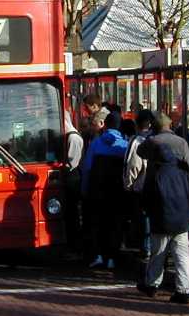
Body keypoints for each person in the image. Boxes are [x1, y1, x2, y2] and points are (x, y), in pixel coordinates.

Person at [137, 142, 189, 305]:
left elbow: (145, 199)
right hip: (181, 220)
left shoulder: (155, 175)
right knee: (182, 256)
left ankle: (152, 284)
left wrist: (148, 210)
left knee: (158, 254)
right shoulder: (181, 173)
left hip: (161, 221)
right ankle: (183, 290)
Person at [80, 111, 129, 269]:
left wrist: (84, 189)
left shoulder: (96, 143)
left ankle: (99, 255)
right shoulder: (125, 145)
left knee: (98, 223)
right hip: (117, 192)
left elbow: (87, 168)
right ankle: (112, 258)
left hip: (97, 191)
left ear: (105, 125)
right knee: (115, 224)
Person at [123, 109, 155, 258]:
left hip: (141, 186)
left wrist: (128, 185)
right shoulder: (158, 138)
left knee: (144, 217)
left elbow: (133, 165)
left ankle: (146, 249)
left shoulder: (136, 141)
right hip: (158, 184)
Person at [63, 110, 84, 251]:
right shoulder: (68, 136)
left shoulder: (74, 138)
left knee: (72, 212)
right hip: (70, 176)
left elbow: (72, 162)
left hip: (72, 178)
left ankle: (74, 243)